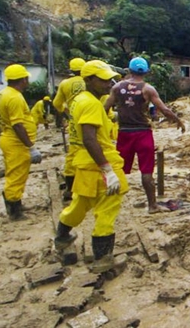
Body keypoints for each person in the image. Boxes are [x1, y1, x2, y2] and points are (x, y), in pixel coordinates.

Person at [53, 61, 129, 271]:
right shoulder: (91, 104)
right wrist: (107, 170)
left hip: (84, 162)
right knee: (108, 207)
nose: (109, 84)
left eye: (110, 79)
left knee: (81, 202)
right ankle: (103, 258)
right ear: (88, 80)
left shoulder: (79, 99)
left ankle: (62, 236)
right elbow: (89, 138)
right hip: (99, 161)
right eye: (103, 80)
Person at [105, 57, 185, 213]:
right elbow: (164, 110)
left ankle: (107, 203)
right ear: (146, 72)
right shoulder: (148, 89)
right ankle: (152, 206)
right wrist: (178, 121)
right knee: (146, 171)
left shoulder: (118, 87)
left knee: (118, 168)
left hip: (124, 133)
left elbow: (105, 108)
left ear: (128, 70)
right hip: (143, 133)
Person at [0, 64, 41, 220]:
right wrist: (30, 146)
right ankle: (14, 209)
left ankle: (16, 201)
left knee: (16, 173)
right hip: (15, 142)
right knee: (16, 175)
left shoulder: (3, 94)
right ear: (23, 79)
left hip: (9, 139)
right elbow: (17, 125)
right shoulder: (14, 97)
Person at [52, 57, 87, 202]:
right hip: (90, 120)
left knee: (73, 154)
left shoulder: (65, 84)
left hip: (74, 123)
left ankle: (70, 189)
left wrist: (67, 114)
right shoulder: (90, 82)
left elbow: (56, 103)